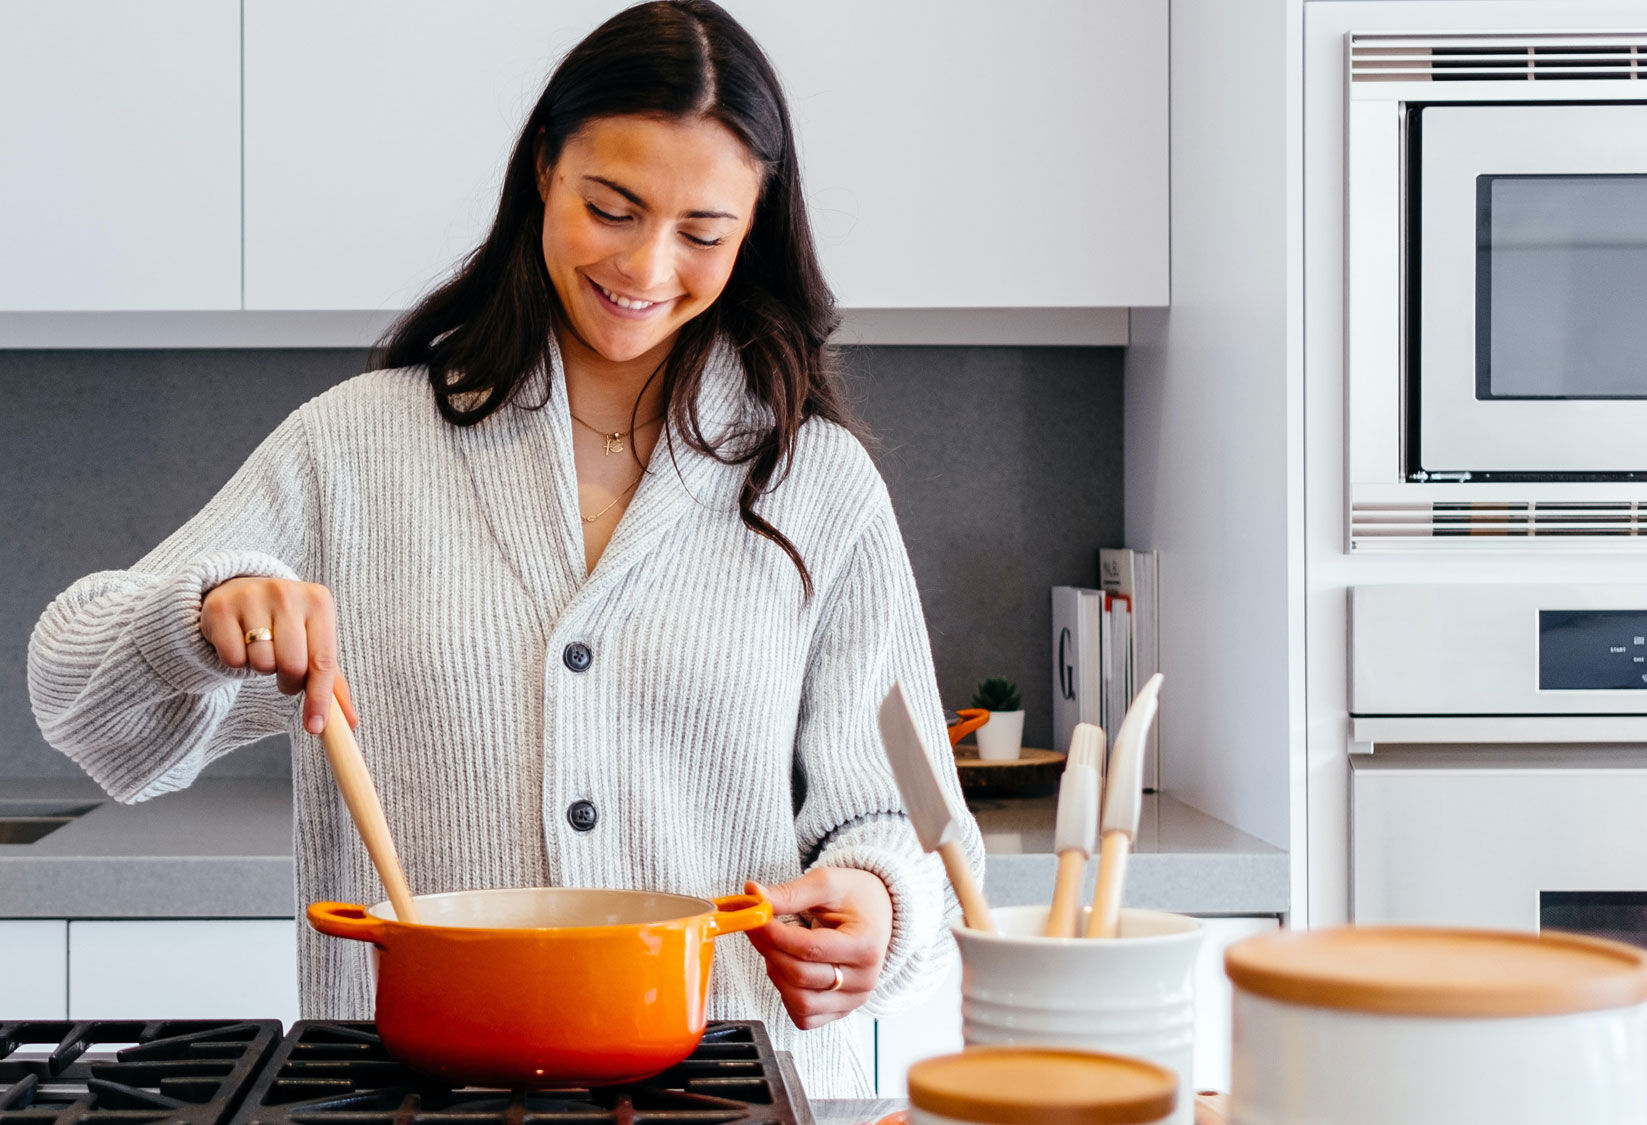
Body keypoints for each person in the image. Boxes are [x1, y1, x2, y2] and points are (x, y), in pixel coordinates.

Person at [24, 0, 980, 1097]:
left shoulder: (816, 482)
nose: (647, 265)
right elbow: (78, 701)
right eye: (610, 207)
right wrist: (198, 618)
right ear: (542, 171)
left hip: (723, 1086)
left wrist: (875, 902)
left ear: (753, 228)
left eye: (701, 232)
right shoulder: (359, 447)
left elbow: (904, 819)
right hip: (407, 1092)